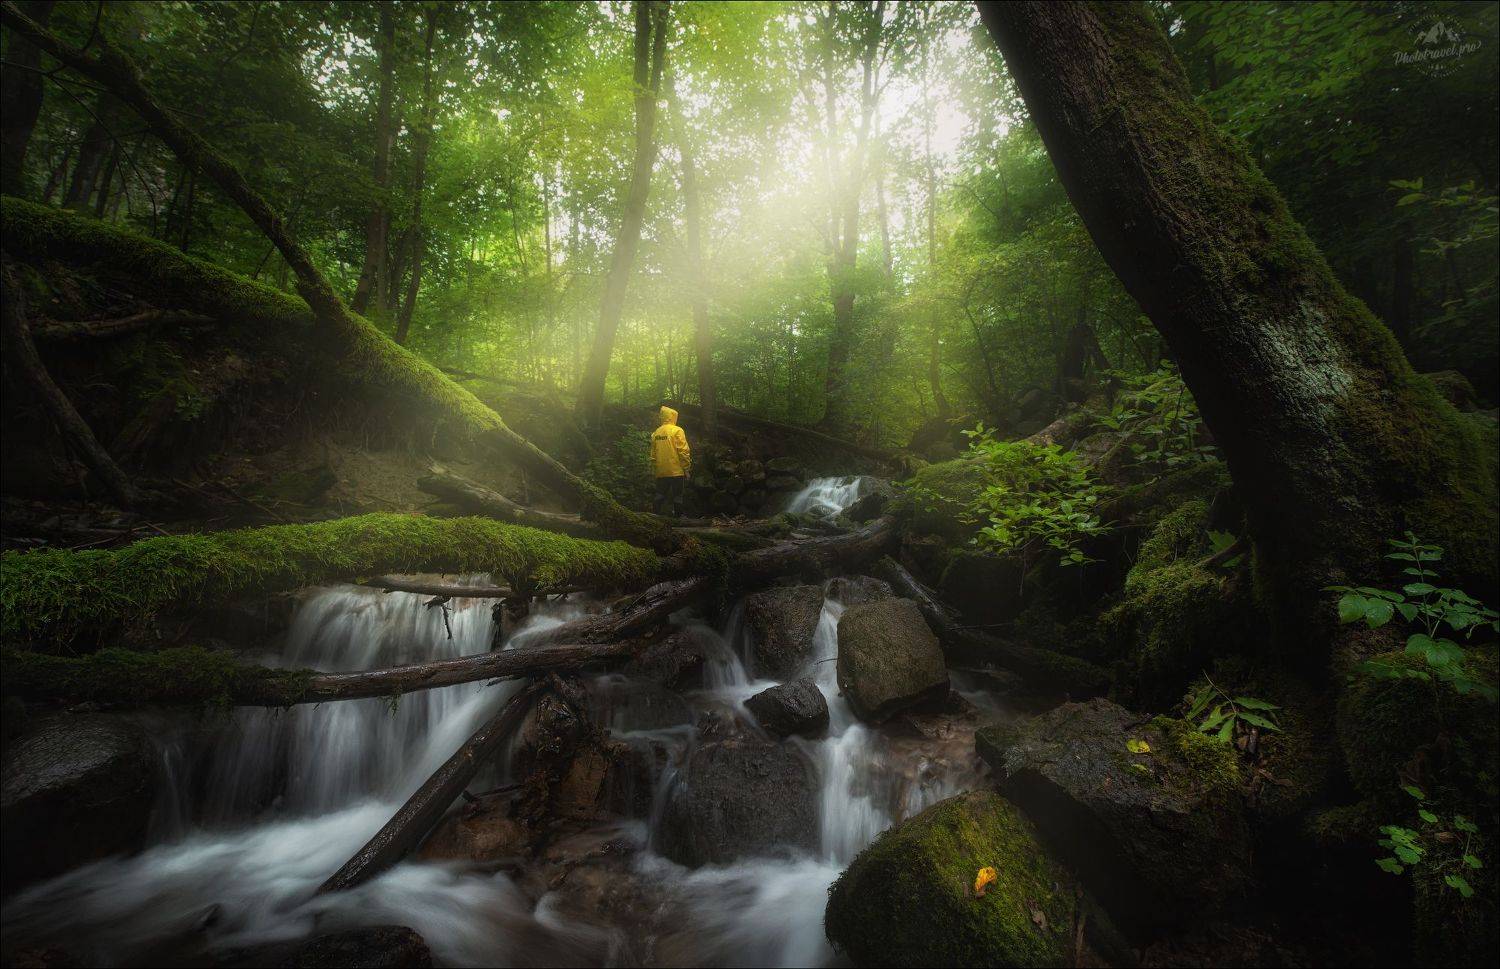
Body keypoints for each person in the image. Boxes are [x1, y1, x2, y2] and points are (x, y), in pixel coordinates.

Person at [650, 404, 691, 516]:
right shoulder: (677, 430)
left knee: (660, 494)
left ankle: (654, 516)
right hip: (676, 470)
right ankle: (679, 518)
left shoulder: (656, 432)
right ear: (673, 417)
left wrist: (655, 469)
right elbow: (683, 451)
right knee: (678, 495)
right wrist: (686, 469)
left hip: (661, 471)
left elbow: (653, 454)